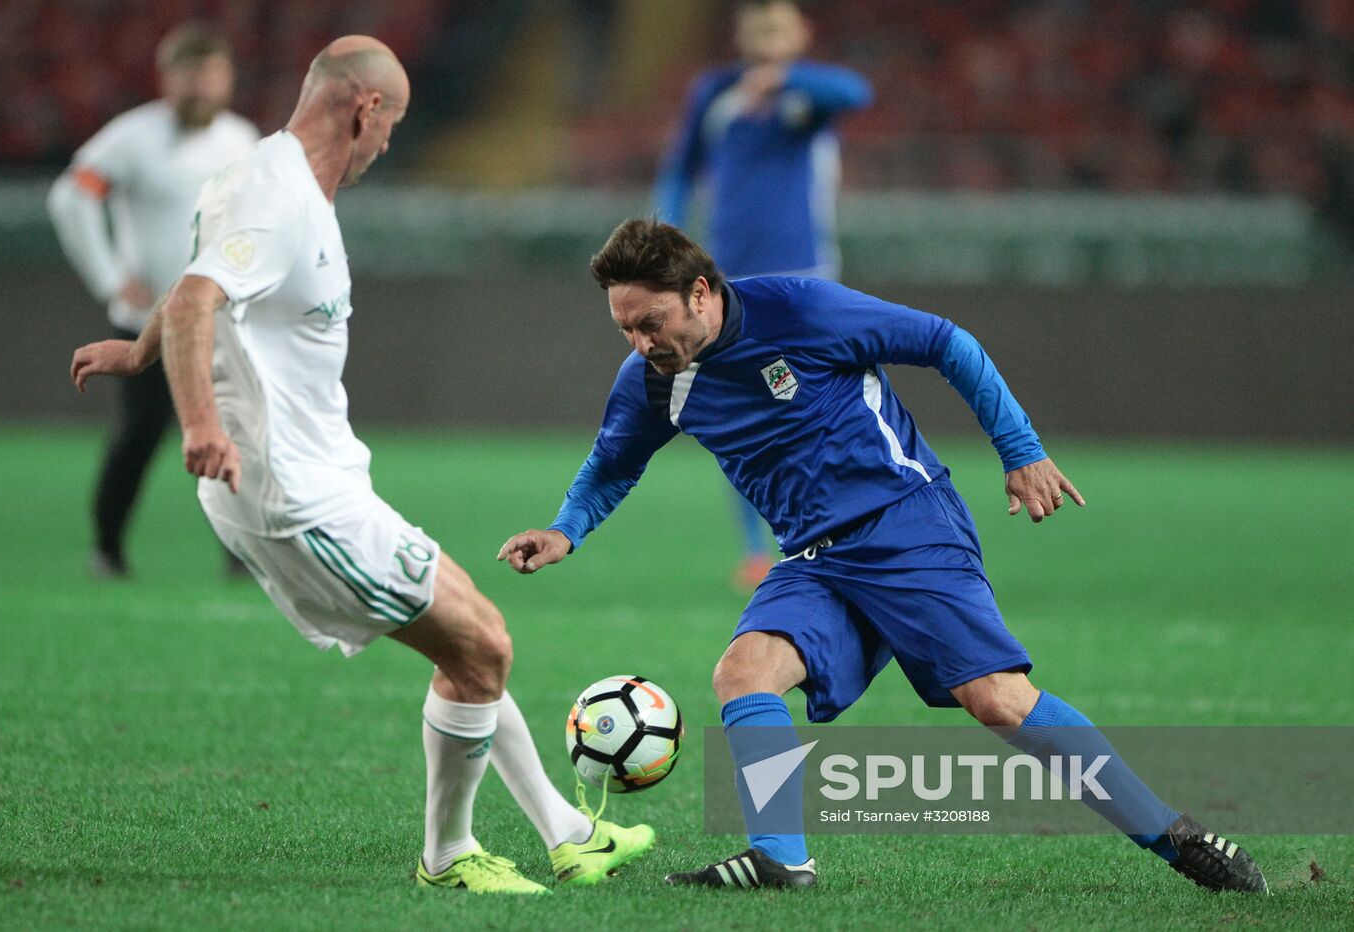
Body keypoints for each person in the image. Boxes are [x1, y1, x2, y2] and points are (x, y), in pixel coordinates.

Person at [498, 219, 1268, 894]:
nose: (639, 343)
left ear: (701, 292)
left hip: (904, 528)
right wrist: (567, 529)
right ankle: (779, 860)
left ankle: (1176, 837)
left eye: (651, 322)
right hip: (813, 560)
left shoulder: (801, 309)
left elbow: (946, 342)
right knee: (743, 673)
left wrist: (1021, 450)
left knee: (998, 702)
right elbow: (612, 461)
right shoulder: (652, 379)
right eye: (625, 329)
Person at [69, 36, 653, 895]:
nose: (386, 146)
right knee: (482, 644)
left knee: (474, 642)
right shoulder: (282, 197)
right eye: (392, 125)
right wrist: (198, 420)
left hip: (326, 482)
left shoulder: (256, 174)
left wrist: (135, 353)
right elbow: (199, 299)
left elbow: (199, 278)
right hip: (294, 499)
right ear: (365, 108)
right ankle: (450, 857)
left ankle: (568, 835)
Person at [653, 0, 873, 588]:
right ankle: (758, 551)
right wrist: (663, 235)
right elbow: (680, 169)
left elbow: (855, 92)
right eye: (759, 25)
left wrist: (784, 77)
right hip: (729, 282)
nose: (768, 35)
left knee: (818, 407)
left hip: (805, 279)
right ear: (741, 34)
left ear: (802, 34)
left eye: (781, 25)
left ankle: (834, 534)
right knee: (738, 414)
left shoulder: (808, 97)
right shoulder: (717, 93)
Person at [49, 23, 259, 579]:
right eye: (190, 77)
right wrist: (110, 276)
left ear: (227, 81)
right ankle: (108, 548)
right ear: (167, 79)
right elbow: (71, 197)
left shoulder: (240, 139)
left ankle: (241, 556)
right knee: (139, 439)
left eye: (210, 77)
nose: (200, 89)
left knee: (236, 435)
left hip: (221, 319)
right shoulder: (135, 136)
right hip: (148, 321)